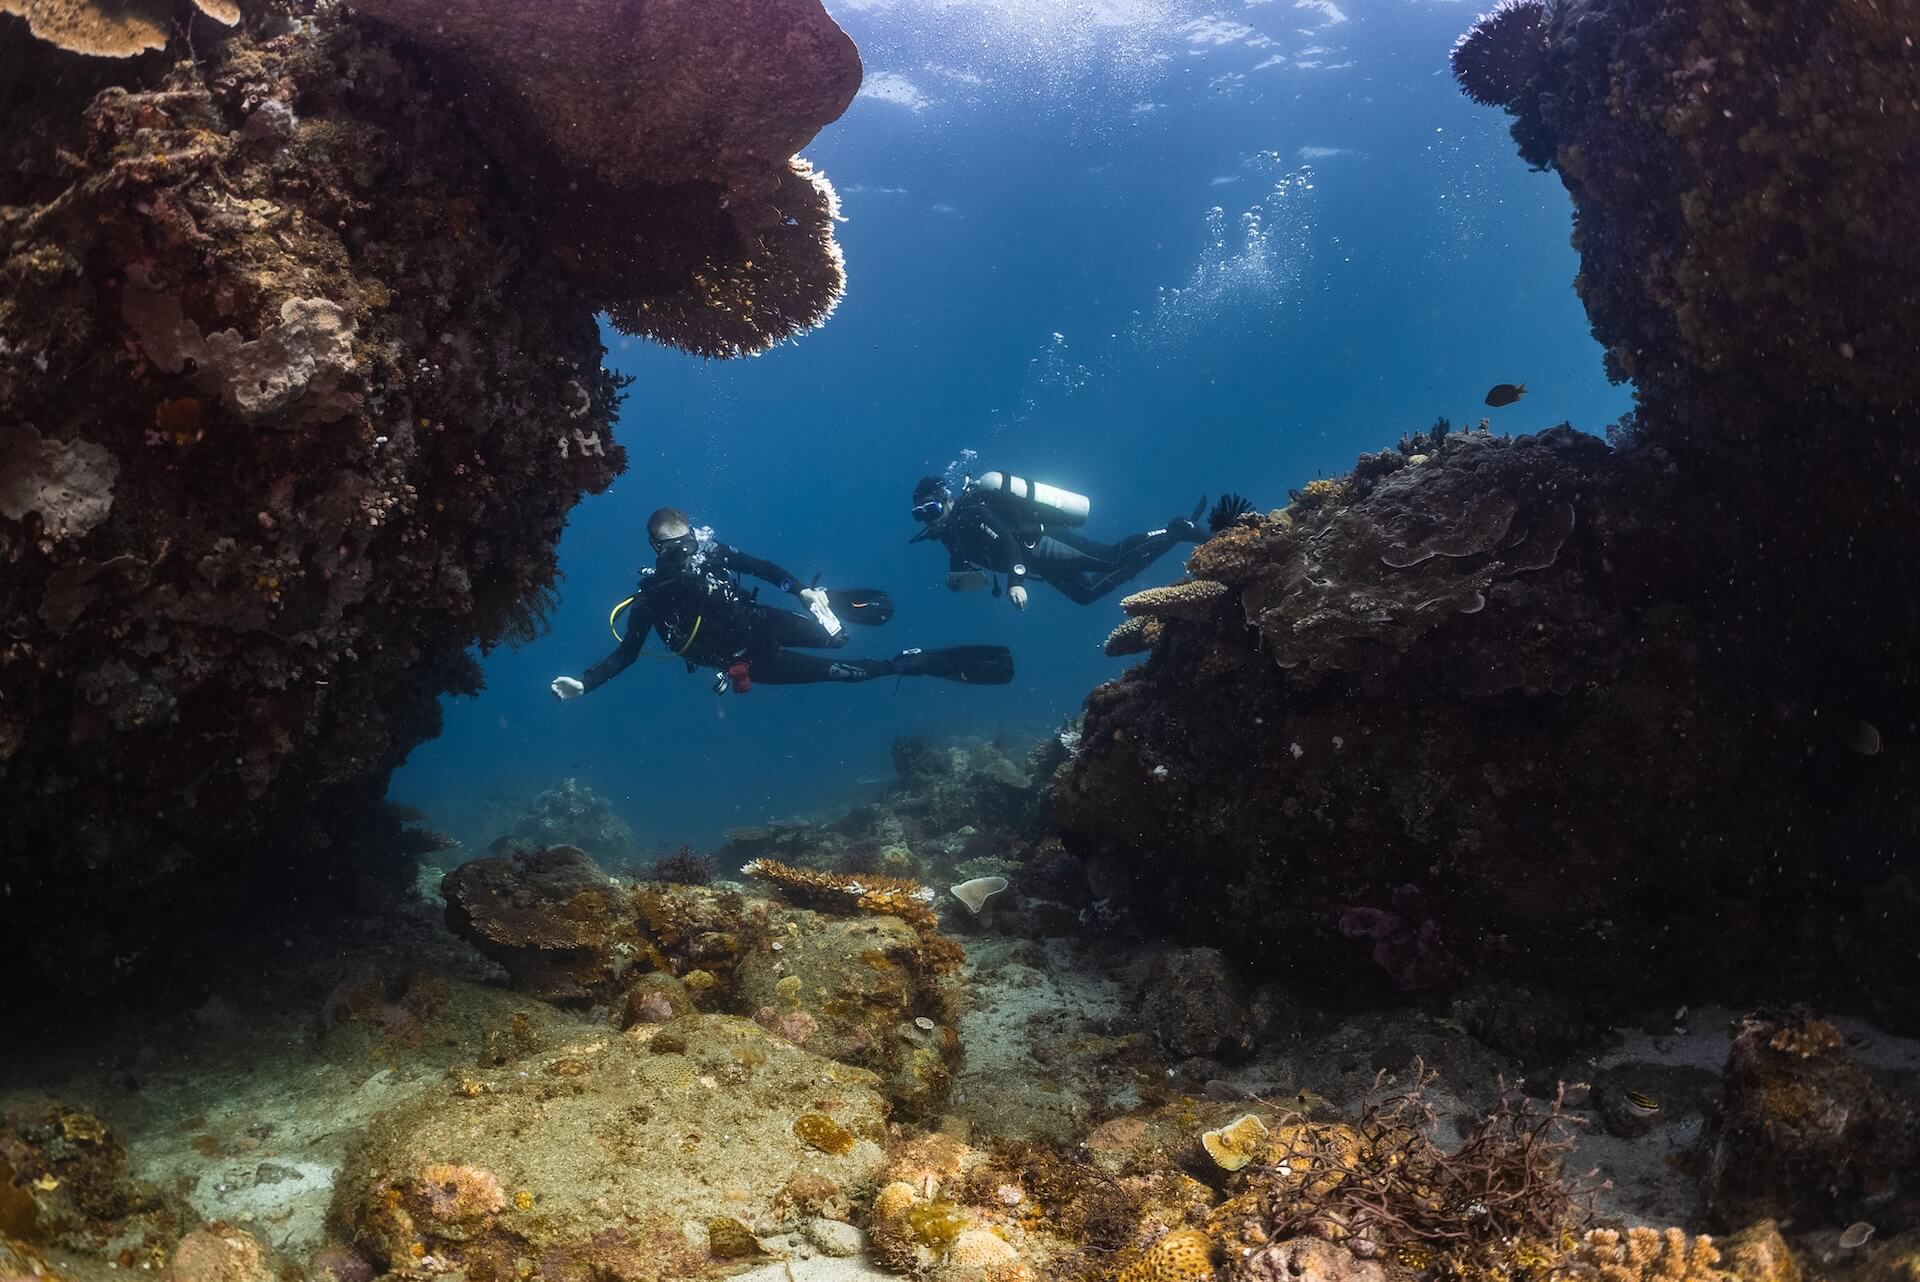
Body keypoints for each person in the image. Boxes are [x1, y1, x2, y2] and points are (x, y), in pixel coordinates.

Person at [549, 507, 1013, 699]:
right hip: (749, 663)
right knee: (847, 673)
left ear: (696, 538)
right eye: (673, 550)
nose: (685, 557)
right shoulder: (651, 599)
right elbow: (627, 654)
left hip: (763, 622)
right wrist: (586, 684)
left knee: (838, 640)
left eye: (688, 545)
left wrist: (800, 590)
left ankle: (824, 599)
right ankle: (911, 663)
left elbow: (762, 568)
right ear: (656, 550)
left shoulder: (715, 554)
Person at [909, 470, 1225, 609]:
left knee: (1111, 557)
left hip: (1045, 544)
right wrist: (958, 578)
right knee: (1086, 595)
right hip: (1040, 564)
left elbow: (1005, 541)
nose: (930, 518)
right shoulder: (953, 535)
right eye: (921, 514)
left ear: (947, 499)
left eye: (932, 509)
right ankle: (1172, 538)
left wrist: (1015, 582)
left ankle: (1177, 528)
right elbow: (968, 571)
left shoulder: (970, 514)